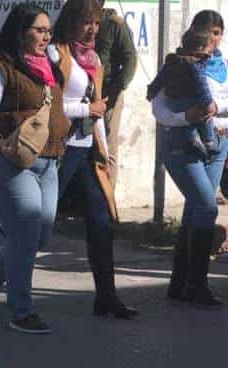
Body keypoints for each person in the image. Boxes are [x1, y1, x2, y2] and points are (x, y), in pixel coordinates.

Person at [0, 4, 71, 334]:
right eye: (38, 30)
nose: (46, 36)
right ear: (19, 31)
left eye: (48, 30)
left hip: (49, 163)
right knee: (24, 232)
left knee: (39, 235)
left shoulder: (50, 67)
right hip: (8, 163)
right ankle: (21, 310)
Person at [51, 0, 137, 319]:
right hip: (60, 151)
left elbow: (96, 104)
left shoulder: (95, 58)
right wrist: (88, 110)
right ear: (71, 21)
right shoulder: (56, 54)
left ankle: (107, 297)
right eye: (87, 22)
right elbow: (52, 109)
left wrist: (101, 145)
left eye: (97, 24)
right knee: (37, 225)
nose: (92, 29)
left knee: (101, 224)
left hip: (87, 150)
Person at [152, 10, 228, 307]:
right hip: (184, 144)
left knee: (194, 212)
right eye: (208, 31)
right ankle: (197, 285)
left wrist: (216, 111)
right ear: (195, 32)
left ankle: (180, 282)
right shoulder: (178, 65)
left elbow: (218, 106)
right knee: (207, 209)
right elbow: (158, 110)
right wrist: (188, 116)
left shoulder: (222, 66)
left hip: (218, 144)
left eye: (218, 31)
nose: (213, 37)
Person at [148, 29, 220, 160]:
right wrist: (209, 103)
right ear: (199, 48)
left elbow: (160, 79)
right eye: (209, 50)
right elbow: (202, 86)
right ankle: (209, 142)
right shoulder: (196, 64)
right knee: (206, 119)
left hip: (174, 103)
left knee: (186, 123)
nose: (210, 54)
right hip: (191, 103)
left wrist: (151, 90)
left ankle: (192, 139)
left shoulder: (172, 60)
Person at [96, 0, 136, 188]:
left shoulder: (114, 24)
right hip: (82, 94)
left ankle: (107, 202)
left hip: (108, 92)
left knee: (107, 147)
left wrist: (115, 91)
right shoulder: (75, 20)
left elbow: (130, 60)